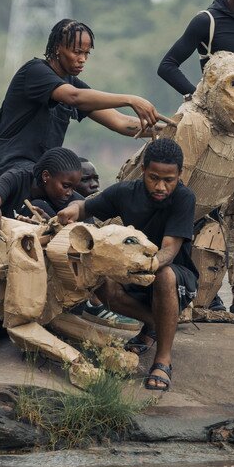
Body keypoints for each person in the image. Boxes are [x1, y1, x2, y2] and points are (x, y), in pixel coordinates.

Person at [56, 138, 196, 392]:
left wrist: (145, 264)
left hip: (175, 278)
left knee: (164, 274)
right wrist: (71, 211)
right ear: (143, 170)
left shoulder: (184, 198)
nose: (161, 186)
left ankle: (163, 358)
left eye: (169, 180)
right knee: (96, 277)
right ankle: (157, 324)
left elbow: (169, 250)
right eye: (154, 178)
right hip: (133, 275)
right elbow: (85, 207)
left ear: (179, 175)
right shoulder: (125, 192)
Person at [0, 19, 161, 186]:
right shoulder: (35, 72)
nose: (82, 59)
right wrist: (130, 100)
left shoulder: (71, 83)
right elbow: (73, 97)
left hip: (40, 173)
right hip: (10, 167)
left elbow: (120, 122)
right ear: (57, 48)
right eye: (77, 52)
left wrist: (172, 127)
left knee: (83, 204)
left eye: (86, 53)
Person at [0, 147, 84, 237]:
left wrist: (50, 224)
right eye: (66, 186)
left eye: (74, 188)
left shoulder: (75, 203)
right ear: (46, 176)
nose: (70, 193)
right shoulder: (18, 177)